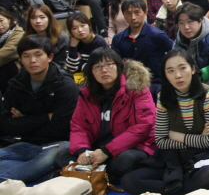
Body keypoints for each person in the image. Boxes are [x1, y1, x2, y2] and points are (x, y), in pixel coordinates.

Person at [120, 50, 209, 195]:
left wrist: (176, 136)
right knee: (129, 180)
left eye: (182, 68)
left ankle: (175, 189)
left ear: (193, 69)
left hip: (204, 155)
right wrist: (198, 138)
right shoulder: (163, 96)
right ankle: (185, 191)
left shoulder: (208, 94)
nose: (178, 75)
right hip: (173, 157)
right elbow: (161, 141)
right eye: (170, 71)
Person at [60, 48, 155, 184]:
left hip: (131, 146)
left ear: (118, 66)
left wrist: (107, 152)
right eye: (97, 67)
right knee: (62, 154)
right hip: (97, 147)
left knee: (126, 160)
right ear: (91, 71)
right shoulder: (86, 94)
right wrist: (83, 151)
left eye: (109, 64)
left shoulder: (137, 89)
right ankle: (102, 174)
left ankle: (91, 174)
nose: (104, 70)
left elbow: (143, 127)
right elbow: (78, 125)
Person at [0, 36, 78, 182]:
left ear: (49, 57)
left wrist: (25, 121)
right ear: (20, 59)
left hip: (58, 143)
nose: (32, 60)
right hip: (27, 143)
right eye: (26, 56)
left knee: (49, 158)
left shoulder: (65, 85)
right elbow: (6, 125)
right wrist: (46, 117)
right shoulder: (17, 84)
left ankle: (5, 179)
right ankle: (46, 175)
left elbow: (61, 127)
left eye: (38, 55)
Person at [111, 0, 175, 88]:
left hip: (155, 83)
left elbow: (175, 51)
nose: (133, 17)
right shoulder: (118, 39)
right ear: (124, 15)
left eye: (137, 12)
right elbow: (116, 65)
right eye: (128, 13)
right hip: (128, 85)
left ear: (145, 12)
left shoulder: (157, 35)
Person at [63, 12, 108, 83]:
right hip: (79, 78)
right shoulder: (72, 43)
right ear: (70, 31)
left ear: (89, 25)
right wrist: (73, 47)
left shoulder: (99, 42)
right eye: (75, 28)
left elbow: (98, 68)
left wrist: (80, 62)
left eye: (83, 25)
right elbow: (72, 68)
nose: (80, 30)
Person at [0, 8, 23, 92]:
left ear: (9, 19)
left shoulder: (18, 34)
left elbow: (3, 55)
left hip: (13, 76)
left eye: (1, 20)